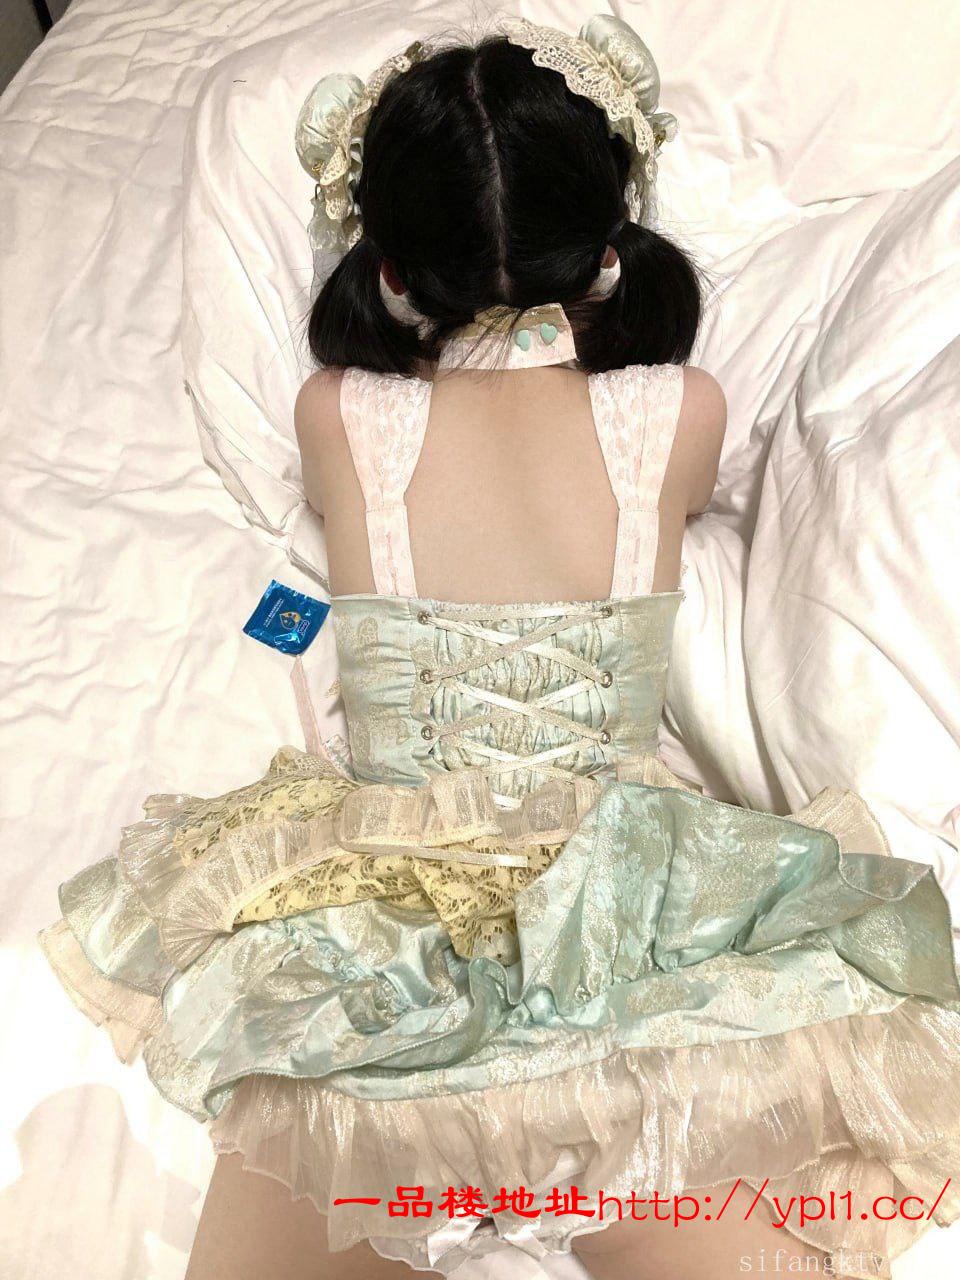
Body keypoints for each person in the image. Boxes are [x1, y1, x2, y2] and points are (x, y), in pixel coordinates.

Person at [39, 15, 960, 1280]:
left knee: (304, 1167)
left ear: (390, 272)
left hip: (387, 892)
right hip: (625, 883)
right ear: (609, 249)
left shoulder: (338, 413)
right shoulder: (677, 409)